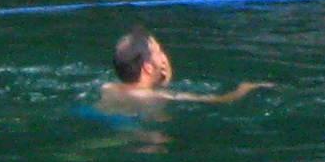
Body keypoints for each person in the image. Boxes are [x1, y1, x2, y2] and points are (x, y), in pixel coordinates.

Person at [100, 28, 275, 109]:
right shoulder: (157, 96)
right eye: (159, 52)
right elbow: (219, 100)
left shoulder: (107, 88)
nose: (163, 56)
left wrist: (162, 79)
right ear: (148, 68)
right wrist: (245, 88)